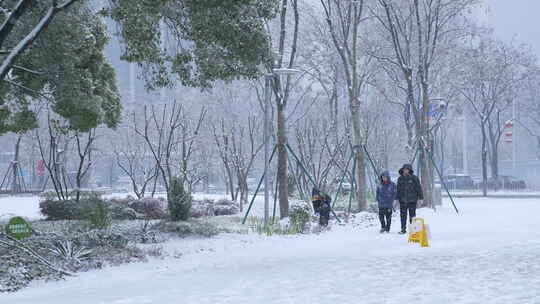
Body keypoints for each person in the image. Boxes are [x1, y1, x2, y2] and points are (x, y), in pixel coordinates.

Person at [396, 164, 423, 234]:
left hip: (412, 200)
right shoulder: (400, 179)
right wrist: (396, 199)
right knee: (403, 216)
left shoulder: (414, 178)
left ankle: (413, 230)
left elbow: (419, 188)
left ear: (409, 170)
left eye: (407, 169)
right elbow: (398, 189)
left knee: (412, 216)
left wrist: (421, 198)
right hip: (403, 200)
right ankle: (403, 229)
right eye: (404, 169)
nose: (405, 171)